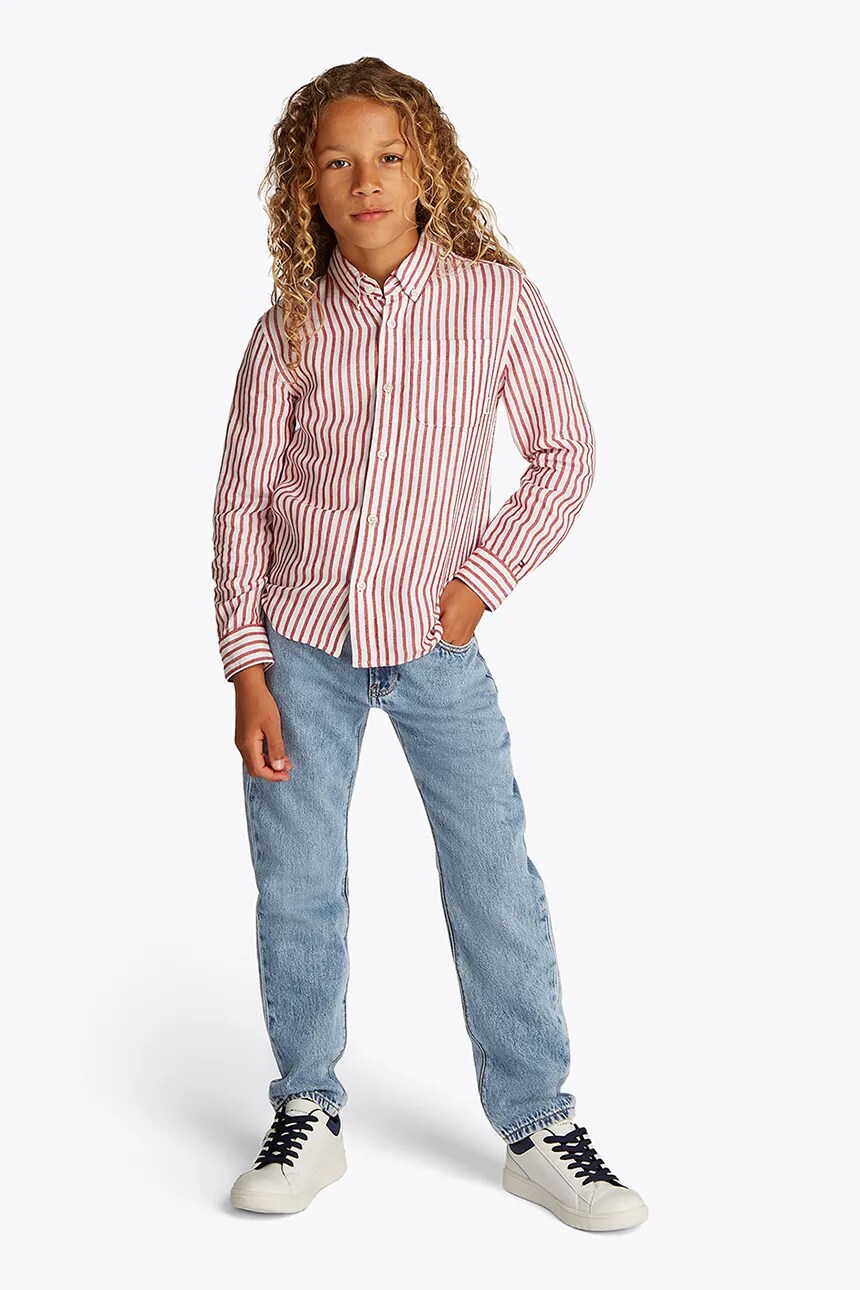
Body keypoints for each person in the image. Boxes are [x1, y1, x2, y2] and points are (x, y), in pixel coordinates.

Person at [210, 56, 647, 1233]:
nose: (365, 181)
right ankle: (308, 1108)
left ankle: (536, 1122)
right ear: (306, 188)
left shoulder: (494, 302)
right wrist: (247, 666)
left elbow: (564, 455)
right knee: (298, 885)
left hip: (433, 648)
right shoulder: (289, 327)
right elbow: (241, 502)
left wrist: (473, 590)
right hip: (299, 646)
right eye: (336, 162)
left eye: (387, 157)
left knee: (492, 875)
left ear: (426, 170)